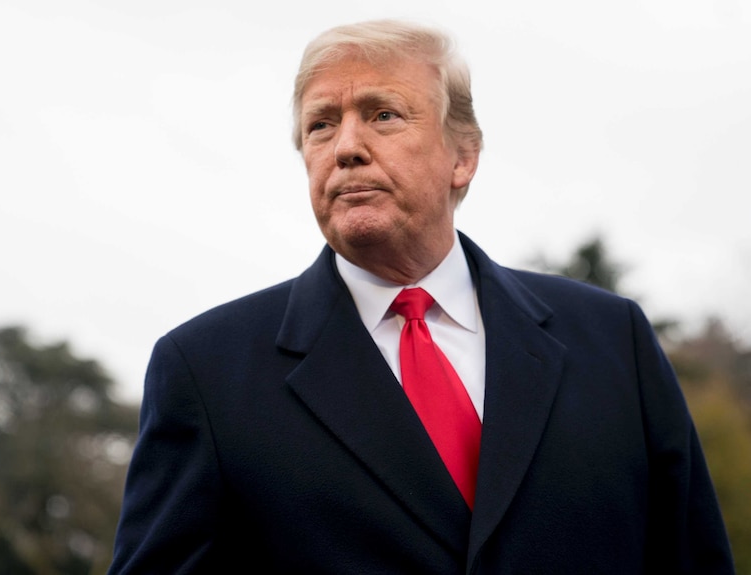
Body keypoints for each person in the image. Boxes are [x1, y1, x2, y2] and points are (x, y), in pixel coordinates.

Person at [108, 19, 734, 574]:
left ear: (463, 156)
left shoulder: (612, 339)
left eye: (382, 114)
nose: (347, 146)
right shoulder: (207, 372)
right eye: (321, 125)